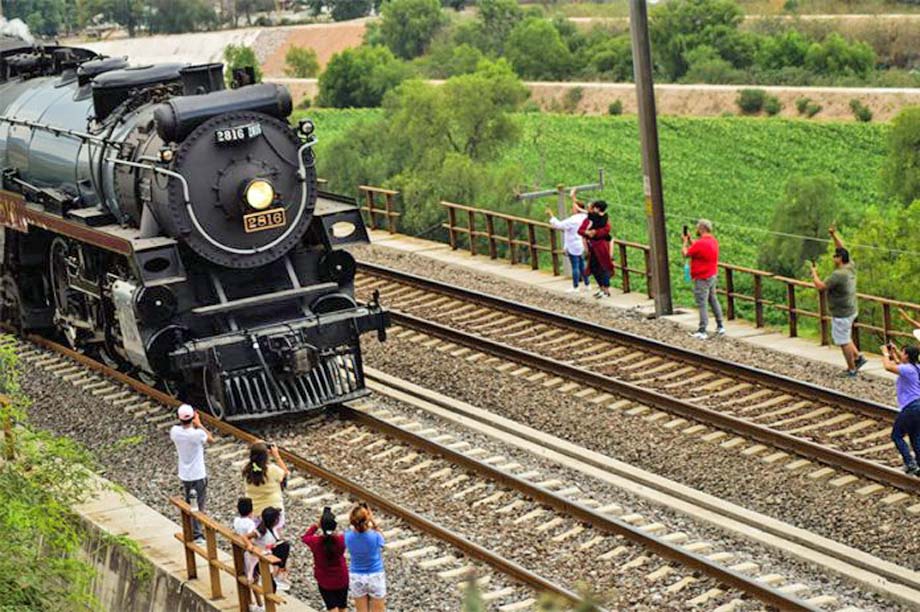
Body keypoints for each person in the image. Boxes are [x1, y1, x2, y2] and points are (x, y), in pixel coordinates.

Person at [810, 227, 867, 377]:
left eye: (835, 256)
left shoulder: (838, 275)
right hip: (851, 309)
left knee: (843, 341)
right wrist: (833, 235)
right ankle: (858, 358)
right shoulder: (851, 267)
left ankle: (851, 368)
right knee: (846, 336)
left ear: (840, 259)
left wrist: (814, 274)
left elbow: (821, 287)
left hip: (842, 313)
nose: (833, 257)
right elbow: (842, 248)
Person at [169, 403, 213, 545]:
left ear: (179, 418)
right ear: (193, 417)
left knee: (189, 502)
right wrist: (199, 424)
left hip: (185, 474)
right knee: (198, 505)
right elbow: (211, 439)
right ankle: (198, 535)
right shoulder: (197, 434)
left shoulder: (175, 431)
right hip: (199, 474)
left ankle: (191, 530)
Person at [880, 343, 920, 475]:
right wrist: (896, 352)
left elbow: (888, 367)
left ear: (907, 355)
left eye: (903, 353)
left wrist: (885, 353)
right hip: (918, 405)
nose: (900, 355)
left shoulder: (907, 369)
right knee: (915, 436)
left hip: (911, 406)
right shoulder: (916, 368)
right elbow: (899, 363)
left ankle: (909, 463)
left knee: (897, 436)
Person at [682, 219, 725, 340]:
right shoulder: (713, 241)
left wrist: (685, 242)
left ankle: (702, 330)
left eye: (697, 228)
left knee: (702, 303)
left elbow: (686, 253)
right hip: (712, 275)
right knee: (713, 300)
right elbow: (697, 248)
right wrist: (690, 240)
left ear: (701, 229)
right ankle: (720, 325)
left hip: (702, 277)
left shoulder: (701, 243)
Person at [302, 507, 349, 612]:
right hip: (341, 577)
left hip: (324, 580)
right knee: (342, 606)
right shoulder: (342, 540)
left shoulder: (315, 542)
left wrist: (316, 525)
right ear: (335, 526)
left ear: (322, 526)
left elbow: (305, 537)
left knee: (332, 607)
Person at [346, 503, 386, 612]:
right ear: (367, 518)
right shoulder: (375, 536)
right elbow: (383, 542)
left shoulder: (348, 536)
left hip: (357, 576)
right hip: (375, 575)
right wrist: (373, 522)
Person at [546, 193, 589, 293]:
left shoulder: (572, 220)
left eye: (573, 208)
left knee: (575, 266)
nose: (571, 209)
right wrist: (573, 196)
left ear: (577, 209)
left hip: (573, 245)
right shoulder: (585, 217)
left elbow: (559, 225)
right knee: (582, 265)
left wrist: (551, 215)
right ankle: (587, 284)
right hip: (581, 243)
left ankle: (575, 286)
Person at [243, 441, 291, 526]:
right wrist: (276, 456)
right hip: (273, 510)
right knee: (275, 535)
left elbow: (256, 467)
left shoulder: (247, 470)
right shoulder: (272, 470)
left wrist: (258, 446)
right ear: (266, 456)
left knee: (259, 537)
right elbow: (286, 473)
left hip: (255, 511)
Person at [233, 497, 265, 612]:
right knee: (254, 578)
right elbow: (251, 539)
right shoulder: (250, 524)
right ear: (251, 510)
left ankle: (250, 602)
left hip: (239, 552)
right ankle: (260, 605)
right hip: (249, 554)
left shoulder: (236, 521)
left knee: (246, 576)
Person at [250, 506, 292, 592]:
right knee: (271, 588)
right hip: (261, 558)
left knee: (285, 546)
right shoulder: (261, 531)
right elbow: (247, 537)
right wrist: (250, 546)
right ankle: (277, 575)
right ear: (275, 521)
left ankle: (279, 573)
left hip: (267, 553)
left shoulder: (270, 529)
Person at [577, 200, 613, 299]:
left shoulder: (604, 219)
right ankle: (601, 288)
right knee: (594, 268)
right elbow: (580, 230)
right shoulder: (588, 220)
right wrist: (587, 233)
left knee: (603, 267)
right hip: (592, 247)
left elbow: (606, 231)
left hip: (601, 247)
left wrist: (594, 232)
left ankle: (606, 290)